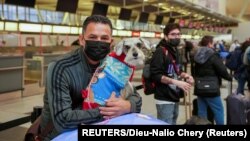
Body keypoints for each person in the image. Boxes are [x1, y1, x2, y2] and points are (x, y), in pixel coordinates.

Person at [40, 15, 142, 140]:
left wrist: (128, 106)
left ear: (111, 42)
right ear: (82, 40)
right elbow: (63, 120)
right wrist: (110, 110)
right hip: (61, 136)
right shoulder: (61, 68)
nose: (99, 42)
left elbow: (135, 97)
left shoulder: (112, 64)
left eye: (104, 38)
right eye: (93, 37)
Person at [150, 23, 194, 124]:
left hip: (174, 95)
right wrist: (177, 82)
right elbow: (156, 75)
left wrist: (186, 75)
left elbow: (178, 70)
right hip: (164, 98)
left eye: (178, 34)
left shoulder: (175, 51)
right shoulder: (160, 51)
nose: (176, 37)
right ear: (166, 36)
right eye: (173, 34)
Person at [193, 36, 232, 125]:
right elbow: (221, 70)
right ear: (209, 44)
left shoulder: (196, 54)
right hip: (211, 88)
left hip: (199, 87)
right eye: (213, 43)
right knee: (219, 110)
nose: (214, 44)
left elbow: (194, 71)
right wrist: (229, 77)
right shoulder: (213, 55)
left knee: (202, 111)